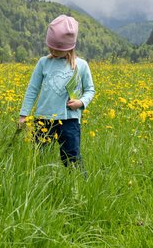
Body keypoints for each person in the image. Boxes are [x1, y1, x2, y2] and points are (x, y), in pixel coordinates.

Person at [18, 14, 95, 169]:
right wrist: (23, 114)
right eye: (50, 46)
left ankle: (77, 185)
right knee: (38, 157)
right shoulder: (43, 63)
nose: (52, 50)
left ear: (69, 47)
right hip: (43, 119)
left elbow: (90, 90)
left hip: (70, 120)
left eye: (57, 48)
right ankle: (40, 183)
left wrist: (81, 102)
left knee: (72, 158)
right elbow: (32, 89)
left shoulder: (81, 66)